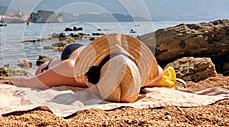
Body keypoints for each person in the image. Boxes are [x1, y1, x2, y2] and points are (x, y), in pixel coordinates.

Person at [9, 33, 164, 103]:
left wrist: (9, 79)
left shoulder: (71, 70)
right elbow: (159, 71)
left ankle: (48, 64)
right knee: (57, 68)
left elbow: (30, 82)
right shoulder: (151, 75)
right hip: (82, 53)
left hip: (97, 58)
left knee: (43, 71)